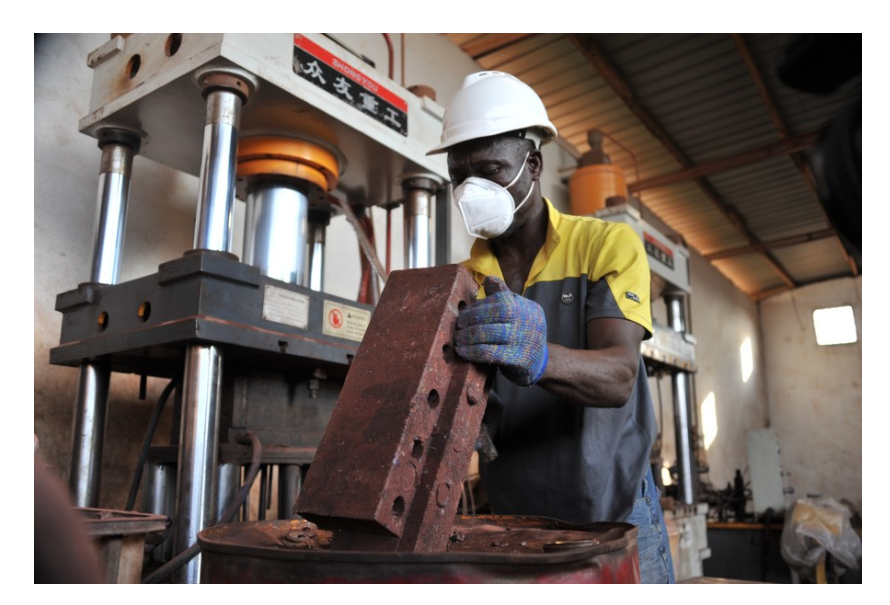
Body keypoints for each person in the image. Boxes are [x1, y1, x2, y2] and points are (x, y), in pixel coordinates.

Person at [428, 71, 675, 584]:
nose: (474, 190)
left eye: (491, 169)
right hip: (514, 522)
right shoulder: (466, 280)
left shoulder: (606, 246)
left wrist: (538, 356)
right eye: (461, 176)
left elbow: (619, 377)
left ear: (532, 165)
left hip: (615, 513)